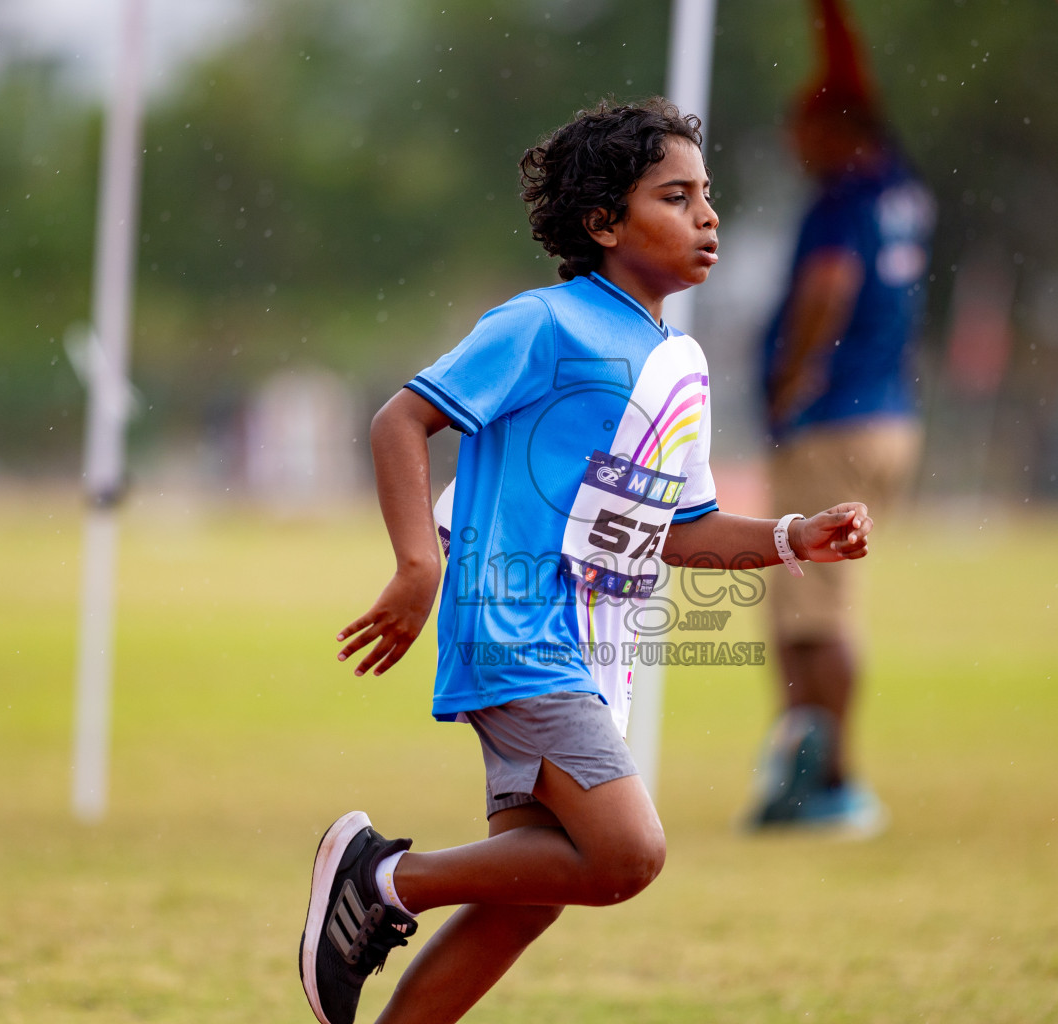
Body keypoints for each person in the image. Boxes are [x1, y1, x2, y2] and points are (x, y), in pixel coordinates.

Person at [298, 98, 874, 1024]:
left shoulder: (680, 362)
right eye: (676, 197)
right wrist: (419, 566)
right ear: (603, 223)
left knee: (527, 904)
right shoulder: (544, 323)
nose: (707, 216)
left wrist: (787, 536)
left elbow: (679, 530)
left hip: (592, 653)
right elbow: (400, 418)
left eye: (708, 196)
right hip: (516, 630)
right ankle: (384, 877)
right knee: (626, 856)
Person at [747, 0, 936, 835]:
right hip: (890, 416)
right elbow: (857, 86)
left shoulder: (839, 200)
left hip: (833, 420)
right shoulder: (895, 185)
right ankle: (810, 767)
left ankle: (829, 780)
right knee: (823, 601)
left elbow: (828, 286)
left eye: (802, 129)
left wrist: (791, 378)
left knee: (811, 610)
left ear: (836, 130)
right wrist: (829, 17)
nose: (795, 146)